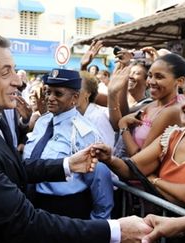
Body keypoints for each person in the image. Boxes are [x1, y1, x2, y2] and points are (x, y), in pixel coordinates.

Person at [0, 32, 151, 243]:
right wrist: (115, 230)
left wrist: (67, 165)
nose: (18, 81)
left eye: (14, 70)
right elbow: (24, 223)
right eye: (6, 72)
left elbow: (12, 168)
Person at [90, 72, 185, 212]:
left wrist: (153, 180)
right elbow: (131, 169)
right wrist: (109, 159)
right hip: (159, 228)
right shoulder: (172, 135)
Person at [23, 68, 114, 220]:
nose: (50, 98)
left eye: (58, 93)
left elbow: (99, 179)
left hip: (65, 209)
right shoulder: (42, 122)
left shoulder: (85, 132)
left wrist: (99, 225)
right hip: (32, 204)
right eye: (48, 92)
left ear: (75, 97)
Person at [117, 54, 185, 156]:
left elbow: (140, 157)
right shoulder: (154, 104)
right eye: (150, 75)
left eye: (159, 77)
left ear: (180, 81)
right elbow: (125, 114)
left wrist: (123, 126)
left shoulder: (172, 111)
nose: (151, 82)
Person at [77, 71, 115, 147]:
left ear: (88, 93)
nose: (73, 93)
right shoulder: (71, 113)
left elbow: (108, 146)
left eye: (77, 89)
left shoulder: (98, 117)